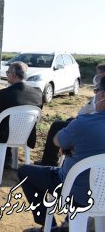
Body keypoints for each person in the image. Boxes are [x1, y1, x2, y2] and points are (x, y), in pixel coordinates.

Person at [18, 75, 105, 230]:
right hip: (102, 195)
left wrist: (73, 143)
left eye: (96, 90)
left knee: (25, 172)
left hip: (77, 193)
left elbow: (57, 141)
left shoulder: (84, 122)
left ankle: (49, 226)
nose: (94, 94)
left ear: (103, 95)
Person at [37, 63, 105, 166]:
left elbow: (89, 112)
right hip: (90, 123)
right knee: (68, 121)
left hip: (91, 124)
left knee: (57, 125)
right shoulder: (100, 91)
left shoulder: (101, 95)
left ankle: (49, 162)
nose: (96, 76)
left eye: (99, 74)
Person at [0, 61, 43, 166]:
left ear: (13, 75)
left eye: (7, 73)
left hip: (4, 135)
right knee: (5, 124)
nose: (7, 75)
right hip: (26, 134)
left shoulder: (3, 94)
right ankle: (7, 156)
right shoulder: (37, 93)